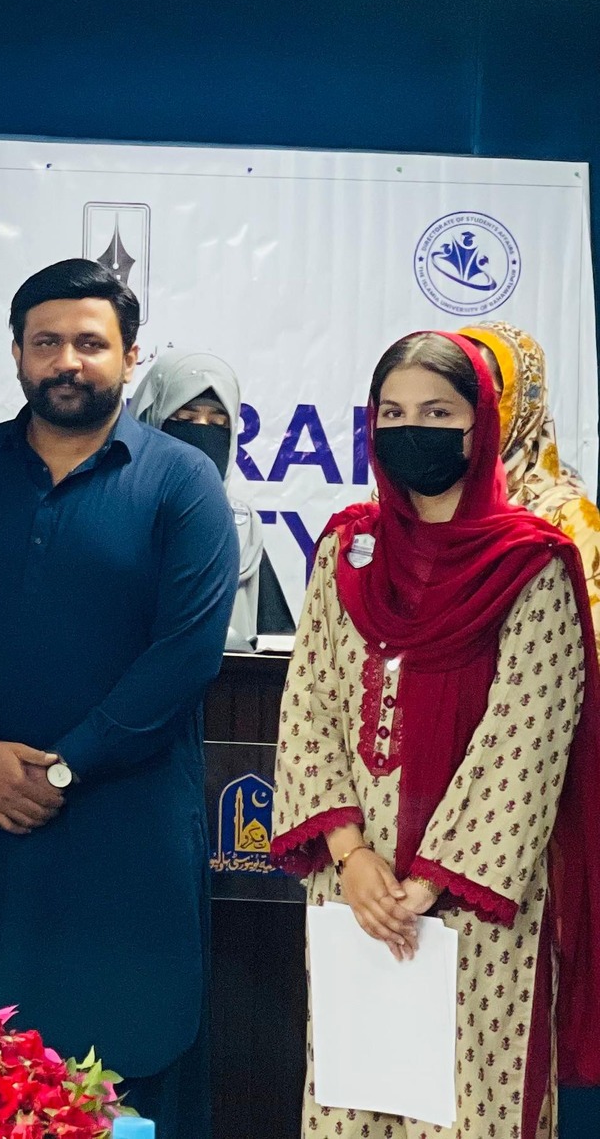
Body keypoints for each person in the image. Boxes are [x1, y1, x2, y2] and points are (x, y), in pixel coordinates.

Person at [0, 258, 239, 1139]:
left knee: (117, 1071)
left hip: (121, 831)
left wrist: (65, 768)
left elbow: (185, 656)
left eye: (91, 343)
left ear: (129, 356)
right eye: (47, 342)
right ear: (16, 353)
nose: (68, 361)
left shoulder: (180, 483)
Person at [272, 329, 600, 1139]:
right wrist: (353, 859)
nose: (410, 428)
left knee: (469, 1108)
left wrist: (423, 887)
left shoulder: (532, 564)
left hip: (475, 904)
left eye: (437, 412)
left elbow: (525, 745)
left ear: (480, 426)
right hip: (354, 895)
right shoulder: (348, 549)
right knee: (351, 1104)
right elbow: (310, 704)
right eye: (391, 412)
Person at [130, 350, 296, 650]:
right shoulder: (112, 516)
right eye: (185, 419)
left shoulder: (242, 531)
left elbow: (276, 645)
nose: (202, 435)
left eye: (219, 424)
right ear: (152, 421)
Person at [458, 322, 600, 646]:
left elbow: (588, 649)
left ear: (521, 408)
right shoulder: (413, 500)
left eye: (480, 395)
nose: (462, 411)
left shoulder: (568, 519)